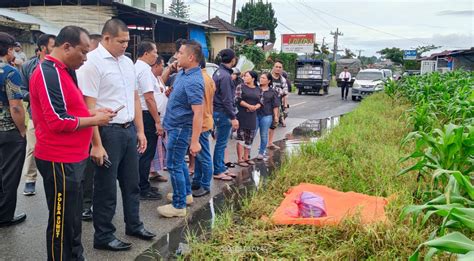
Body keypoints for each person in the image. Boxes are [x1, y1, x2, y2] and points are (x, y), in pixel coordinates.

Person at [29, 25, 116, 261]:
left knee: (73, 217)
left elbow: (72, 108)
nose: (85, 59)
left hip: (74, 157)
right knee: (61, 221)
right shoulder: (48, 72)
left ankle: (75, 256)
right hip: (58, 159)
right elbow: (57, 120)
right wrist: (94, 119)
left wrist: (95, 112)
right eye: (83, 52)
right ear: (66, 46)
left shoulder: (65, 70)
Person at [77, 18, 155, 251]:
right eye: (121, 41)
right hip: (106, 131)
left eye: (127, 42)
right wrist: (96, 145)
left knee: (132, 184)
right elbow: (88, 107)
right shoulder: (92, 62)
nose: (125, 45)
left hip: (128, 129)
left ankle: (134, 224)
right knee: (106, 188)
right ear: (106, 38)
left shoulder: (127, 62)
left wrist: (140, 131)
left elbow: (133, 97)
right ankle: (103, 235)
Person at [157, 40, 204, 218]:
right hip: (175, 126)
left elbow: (198, 113)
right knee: (179, 165)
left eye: (181, 53)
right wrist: (172, 93)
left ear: (191, 57)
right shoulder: (184, 73)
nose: (177, 56)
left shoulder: (194, 81)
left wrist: (195, 141)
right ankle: (185, 194)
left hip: (180, 129)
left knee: (174, 165)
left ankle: (178, 205)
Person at [20, 33, 56, 196]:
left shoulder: (60, 66)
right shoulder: (29, 67)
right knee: (32, 148)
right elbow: (20, 89)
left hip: (56, 116)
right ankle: (30, 180)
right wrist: (35, 97)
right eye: (53, 45)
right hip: (35, 115)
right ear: (43, 48)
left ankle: (55, 179)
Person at [0, 32, 27, 228]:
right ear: (9, 50)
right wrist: (23, 129)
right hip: (8, 131)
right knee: (9, 175)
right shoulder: (10, 72)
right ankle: (4, 215)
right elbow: (16, 106)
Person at [135, 40, 164, 200]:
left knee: (144, 152)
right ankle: (142, 188)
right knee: (146, 153)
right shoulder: (144, 70)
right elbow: (149, 98)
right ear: (146, 53)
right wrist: (157, 121)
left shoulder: (137, 67)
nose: (156, 55)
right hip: (147, 115)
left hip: (142, 114)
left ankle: (143, 184)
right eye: (155, 52)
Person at [81, 34, 102, 221]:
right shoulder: (87, 67)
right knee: (88, 168)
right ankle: (85, 205)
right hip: (86, 123)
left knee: (93, 168)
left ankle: (90, 202)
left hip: (96, 119)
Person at [190, 60, 215, 197]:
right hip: (206, 119)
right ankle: (197, 181)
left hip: (201, 122)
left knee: (204, 156)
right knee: (200, 156)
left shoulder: (199, 79)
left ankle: (205, 185)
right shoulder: (208, 78)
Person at [212, 48, 239, 181]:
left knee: (221, 143)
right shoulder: (226, 76)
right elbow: (227, 99)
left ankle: (222, 168)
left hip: (217, 111)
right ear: (233, 60)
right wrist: (233, 117)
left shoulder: (218, 72)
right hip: (223, 113)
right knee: (221, 143)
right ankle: (218, 170)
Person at [235, 71, 261, 167]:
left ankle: (246, 157)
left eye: (246, 76)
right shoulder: (240, 87)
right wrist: (249, 106)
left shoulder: (258, 89)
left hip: (252, 116)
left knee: (249, 138)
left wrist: (255, 107)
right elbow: (237, 99)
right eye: (244, 76)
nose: (244, 77)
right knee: (241, 137)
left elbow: (261, 101)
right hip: (242, 115)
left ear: (253, 78)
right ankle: (240, 159)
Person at [149, 56, 168, 183]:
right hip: (154, 117)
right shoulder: (149, 78)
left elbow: (161, 93)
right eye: (162, 65)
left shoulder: (159, 78)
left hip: (162, 117)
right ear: (156, 66)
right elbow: (150, 99)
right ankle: (150, 172)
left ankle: (154, 171)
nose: (163, 67)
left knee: (159, 147)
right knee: (153, 147)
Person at [256, 72, 280, 160]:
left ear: (269, 81)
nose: (261, 79)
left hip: (266, 115)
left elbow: (275, 105)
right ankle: (246, 155)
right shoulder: (256, 89)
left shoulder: (273, 92)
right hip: (255, 114)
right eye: (261, 77)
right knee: (252, 134)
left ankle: (261, 152)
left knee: (264, 134)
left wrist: (276, 116)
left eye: (263, 78)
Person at [268, 61, 288, 149]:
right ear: (273, 67)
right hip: (266, 104)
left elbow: (285, 91)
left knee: (274, 124)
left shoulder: (283, 79)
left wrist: (284, 104)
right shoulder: (268, 77)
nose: (278, 68)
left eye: (280, 67)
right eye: (276, 66)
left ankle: (270, 142)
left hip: (276, 104)